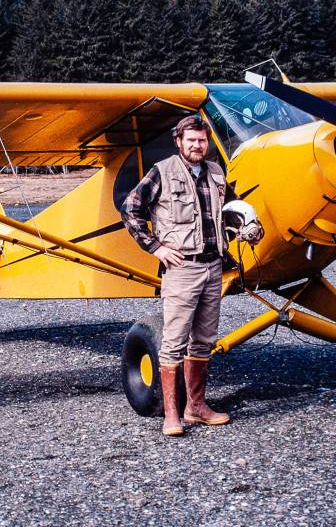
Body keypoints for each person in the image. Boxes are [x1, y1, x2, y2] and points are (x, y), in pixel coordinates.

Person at [121, 115, 243, 436]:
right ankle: (171, 415)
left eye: (202, 140)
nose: (197, 145)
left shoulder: (216, 173)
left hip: (213, 265)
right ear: (179, 142)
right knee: (173, 342)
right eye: (191, 140)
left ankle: (196, 407)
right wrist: (156, 247)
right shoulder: (162, 171)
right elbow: (130, 208)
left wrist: (248, 225)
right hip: (181, 268)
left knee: (203, 341)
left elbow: (233, 210)